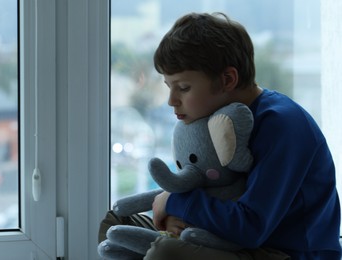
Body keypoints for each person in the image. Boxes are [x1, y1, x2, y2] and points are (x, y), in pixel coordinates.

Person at [98, 12, 341, 259]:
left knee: (166, 252)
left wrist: (174, 202)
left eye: (183, 88)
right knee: (115, 222)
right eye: (168, 86)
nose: (171, 101)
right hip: (222, 236)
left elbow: (250, 227)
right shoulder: (213, 120)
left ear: (227, 79)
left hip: (283, 251)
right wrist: (173, 213)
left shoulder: (281, 125)